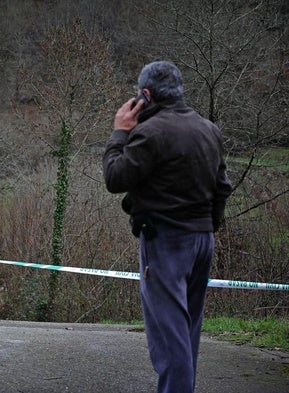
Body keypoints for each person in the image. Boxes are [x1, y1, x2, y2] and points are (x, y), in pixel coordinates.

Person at [102, 61, 232, 393]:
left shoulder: (151, 132)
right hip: (202, 239)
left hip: (166, 241)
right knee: (187, 331)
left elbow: (115, 178)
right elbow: (222, 187)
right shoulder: (208, 129)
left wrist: (120, 132)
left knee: (169, 335)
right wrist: (208, 225)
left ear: (146, 95)